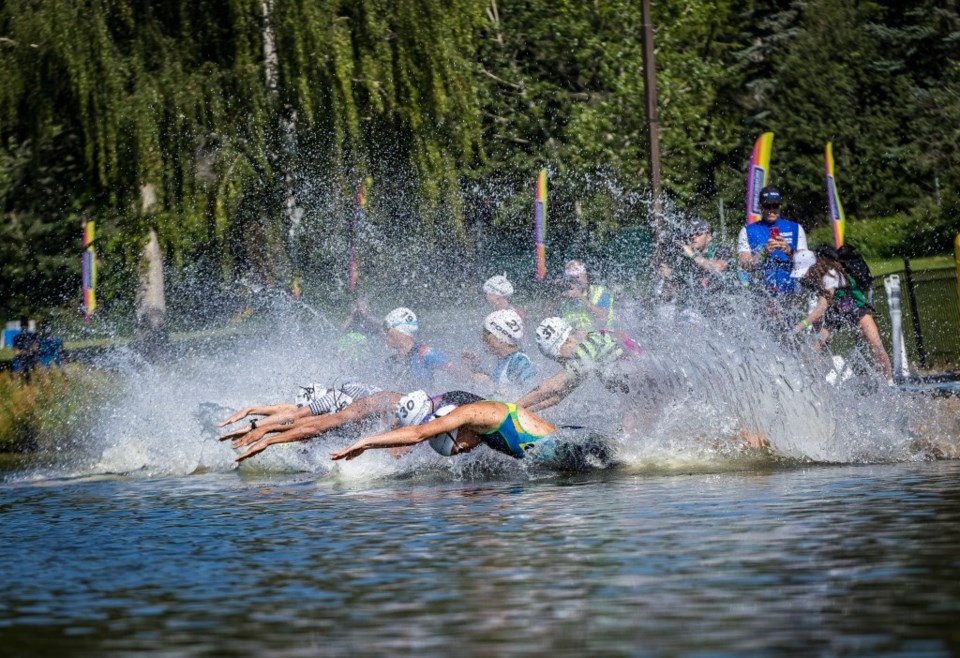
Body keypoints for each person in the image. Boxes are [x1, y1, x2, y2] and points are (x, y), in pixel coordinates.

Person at [331, 394, 565, 462]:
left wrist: (366, 442)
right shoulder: (484, 433)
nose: (466, 449)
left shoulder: (472, 413)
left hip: (575, 447)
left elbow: (417, 434)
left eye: (459, 449)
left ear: (454, 431)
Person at [789, 248, 894, 384]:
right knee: (812, 349)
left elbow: (821, 307)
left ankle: (889, 383)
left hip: (855, 307)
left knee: (876, 344)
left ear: (813, 266)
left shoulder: (830, 275)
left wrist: (798, 327)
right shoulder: (815, 277)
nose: (803, 277)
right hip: (835, 312)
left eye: (804, 272)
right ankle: (815, 383)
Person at [220, 384, 398, 463]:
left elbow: (311, 424)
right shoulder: (329, 402)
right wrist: (254, 417)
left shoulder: (344, 407)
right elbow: (292, 413)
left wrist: (264, 430)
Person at [516, 317, 645, 413]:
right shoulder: (594, 341)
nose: (563, 363)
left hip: (645, 389)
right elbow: (557, 396)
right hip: (646, 392)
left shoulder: (585, 349)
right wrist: (524, 412)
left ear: (567, 341)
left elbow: (552, 387)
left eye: (559, 358)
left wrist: (512, 407)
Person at [737, 186, 808, 296]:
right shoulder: (747, 230)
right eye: (767, 206)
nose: (771, 210)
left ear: (780, 206)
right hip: (760, 296)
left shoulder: (795, 228)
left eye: (775, 205)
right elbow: (745, 265)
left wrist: (789, 251)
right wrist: (763, 253)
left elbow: (806, 265)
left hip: (790, 296)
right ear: (760, 206)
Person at [461, 309, 536, 399]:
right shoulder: (504, 360)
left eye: (486, 333)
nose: (482, 337)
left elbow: (531, 397)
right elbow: (501, 385)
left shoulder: (520, 361)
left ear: (500, 338)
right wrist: (476, 368)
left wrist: (488, 384)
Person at [383, 307, 455, 388]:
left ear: (401, 330)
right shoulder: (390, 362)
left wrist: (471, 367)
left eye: (387, 328)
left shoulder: (425, 353)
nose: (384, 333)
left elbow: (463, 376)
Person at [558, 259, 615, 331]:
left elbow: (603, 318)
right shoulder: (566, 302)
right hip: (577, 340)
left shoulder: (600, 291)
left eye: (577, 277)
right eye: (571, 279)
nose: (574, 281)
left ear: (585, 275)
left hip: (602, 339)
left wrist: (580, 297)